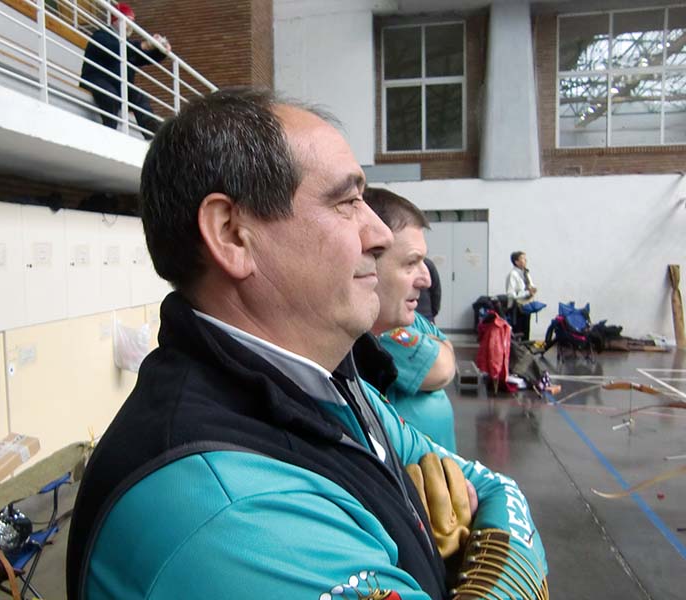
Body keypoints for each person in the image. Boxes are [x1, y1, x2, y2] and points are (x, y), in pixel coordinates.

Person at [66, 88, 548, 600]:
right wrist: (476, 567)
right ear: (232, 235)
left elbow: (499, 488)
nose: (380, 234)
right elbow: (505, 512)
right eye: (347, 202)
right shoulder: (229, 511)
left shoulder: (329, 385)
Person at [356, 187, 457, 452]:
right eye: (411, 263)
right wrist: (439, 348)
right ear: (365, 261)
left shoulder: (404, 318)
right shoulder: (370, 339)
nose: (426, 279)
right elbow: (442, 368)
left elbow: (448, 359)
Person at [80, 2, 171, 138]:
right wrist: (144, 45)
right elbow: (116, 49)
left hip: (118, 86)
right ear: (116, 20)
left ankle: (154, 134)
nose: (131, 26)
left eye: (132, 22)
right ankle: (110, 133)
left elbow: (142, 56)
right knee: (110, 95)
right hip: (97, 80)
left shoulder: (127, 46)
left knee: (139, 97)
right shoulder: (101, 35)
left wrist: (161, 51)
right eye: (128, 21)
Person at [506, 250, 537, 341]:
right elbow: (511, 294)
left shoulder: (526, 273)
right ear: (516, 262)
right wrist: (527, 293)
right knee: (518, 331)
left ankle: (525, 346)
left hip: (526, 306)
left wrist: (533, 289)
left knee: (526, 330)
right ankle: (518, 348)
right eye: (523, 258)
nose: (525, 260)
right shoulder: (513, 275)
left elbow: (530, 285)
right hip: (516, 308)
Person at [416, 256, 441, 323]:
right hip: (426, 316)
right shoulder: (427, 263)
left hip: (425, 315)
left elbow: (436, 292)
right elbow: (436, 292)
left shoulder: (427, 263)